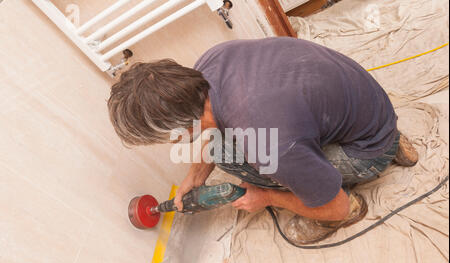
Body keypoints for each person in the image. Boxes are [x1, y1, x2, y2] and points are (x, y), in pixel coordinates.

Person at [107, 37, 418, 244]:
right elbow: (214, 127)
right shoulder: (210, 62)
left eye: (168, 137)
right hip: (366, 104)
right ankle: (387, 139)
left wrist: (267, 197)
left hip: (365, 148)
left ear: (182, 126)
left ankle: (379, 161)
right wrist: (194, 176)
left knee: (230, 155)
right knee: (222, 146)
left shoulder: (268, 144)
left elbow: (333, 207)